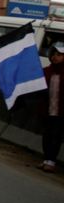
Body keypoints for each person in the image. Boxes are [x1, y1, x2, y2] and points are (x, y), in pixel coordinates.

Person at [38, 41, 64, 173]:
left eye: (59, 54)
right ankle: (46, 159)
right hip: (48, 110)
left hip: (60, 112)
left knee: (56, 136)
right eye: (54, 54)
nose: (55, 57)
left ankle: (51, 161)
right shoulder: (47, 71)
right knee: (47, 135)